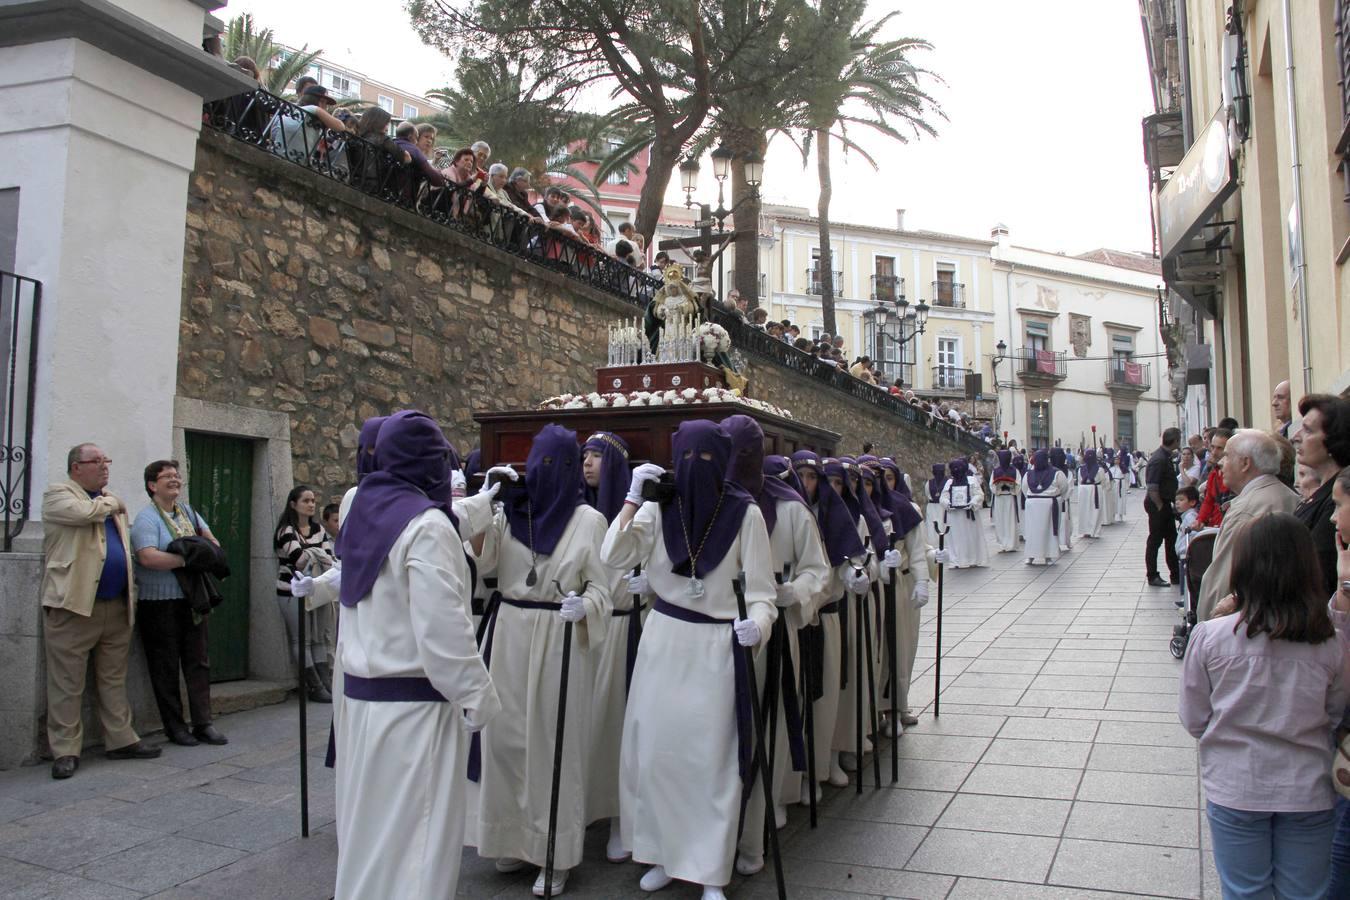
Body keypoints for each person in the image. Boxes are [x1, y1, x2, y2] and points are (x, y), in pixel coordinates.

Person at [603, 421, 776, 900]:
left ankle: (709, 869)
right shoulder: (659, 509)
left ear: (721, 464)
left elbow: (763, 595)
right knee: (657, 755)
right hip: (663, 642)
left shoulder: (745, 515)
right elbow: (612, 556)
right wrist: (634, 497)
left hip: (716, 649)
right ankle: (662, 852)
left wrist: (756, 626)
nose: (691, 470)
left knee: (711, 761)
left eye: (703, 460)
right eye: (685, 458)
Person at [329, 411, 498, 900]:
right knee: (418, 846)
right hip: (415, 711)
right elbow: (443, 631)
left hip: (361, 705)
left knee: (370, 837)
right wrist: (479, 695)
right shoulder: (426, 524)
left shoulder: (363, 508)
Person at [471, 424, 610, 897]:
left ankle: (554, 851)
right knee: (506, 738)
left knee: (553, 743)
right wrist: (485, 504)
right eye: (537, 461)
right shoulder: (512, 513)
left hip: (558, 636)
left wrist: (585, 605)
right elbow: (484, 565)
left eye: (553, 463)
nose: (541, 472)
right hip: (510, 632)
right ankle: (512, 838)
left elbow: (603, 589)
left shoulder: (589, 520)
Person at [1179, 513, 1344, 900]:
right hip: (1307, 786)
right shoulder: (1330, 641)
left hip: (1236, 782)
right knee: (1306, 892)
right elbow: (1334, 712)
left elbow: (1194, 716)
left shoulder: (1211, 637)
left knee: (1244, 890)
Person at [725, 419, 829, 877]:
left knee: (768, 724)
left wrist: (794, 594)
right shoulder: (711, 504)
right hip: (717, 636)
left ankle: (758, 822)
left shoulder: (790, 510)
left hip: (771, 632)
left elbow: (817, 569)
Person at [41, 444, 160, 779]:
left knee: (112, 678)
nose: (105, 467)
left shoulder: (105, 500)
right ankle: (65, 750)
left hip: (115, 605)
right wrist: (114, 502)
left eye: (107, 461)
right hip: (74, 606)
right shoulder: (58, 495)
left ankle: (121, 739)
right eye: (96, 461)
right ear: (76, 467)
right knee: (67, 682)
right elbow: (83, 514)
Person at [131, 459, 227, 747]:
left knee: (198, 662)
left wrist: (196, 553)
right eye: (167, 477)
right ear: (152, 485)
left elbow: (213, 544)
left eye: (176, 475)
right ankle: (175, 727)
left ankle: (203, 723)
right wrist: (187, 559)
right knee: (166, 666)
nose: (174, 480)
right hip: (159, 603)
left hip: (192, 599)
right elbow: (147, 557)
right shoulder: (147, 518)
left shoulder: (189, 513)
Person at [791, 450, 866, 796]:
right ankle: (797, 774)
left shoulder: (836, 517)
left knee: (827, 696)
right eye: (801, 476)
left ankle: (826, 761)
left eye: (813, 477)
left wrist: (857, 575)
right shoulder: (787, 513)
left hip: (827, 616)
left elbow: (854, 560)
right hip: (793, 620)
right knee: (797, 697)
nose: (807, 484)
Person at [579, 431, 638, 863]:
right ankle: (582, 807)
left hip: (622, 629)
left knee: (618, 724)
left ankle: (621, 815)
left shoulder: (634, 515)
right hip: (584, 628)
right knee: (585, 722)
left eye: (596, 456)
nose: (587, 463)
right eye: (583, 455)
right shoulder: (578, 513)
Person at [1198, 430, 1302, 620]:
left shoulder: (1246, 510)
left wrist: (1205, 630)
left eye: (1227, 456)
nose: (1221, 462)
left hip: (1244, 626)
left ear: (1245, 463)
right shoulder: (1291, 497)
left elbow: (1221, 582)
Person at [274, 484, 334, 703]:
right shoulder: (286, 531)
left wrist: (313, 553)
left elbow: (328, 559)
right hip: (291, 591)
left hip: (318, 589)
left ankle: (326, 683)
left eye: (312, 501)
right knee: (302, 639)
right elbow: (299, 561)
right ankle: (314, 685)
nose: (310, 505)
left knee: (318, 638)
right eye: (305, 501)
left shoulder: (318, 530)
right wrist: (316, 553)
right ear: (293, 504)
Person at [1291, 394, 1350, 596]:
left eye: (1308, 430)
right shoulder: (1321, 493)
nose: (1296, 436)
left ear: (1333, 440)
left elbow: (1319, 568)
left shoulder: (1338, 499)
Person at [1145, 427, 1183, 588]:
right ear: (1175, 441)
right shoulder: (1159, 459)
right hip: (1158, 504)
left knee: (1171, 539)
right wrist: (1161, 506)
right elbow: (1152, 487)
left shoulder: (1165, 456)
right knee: (1155, 540)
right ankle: (1152, 575)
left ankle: (1175, 574)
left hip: (1164, 503)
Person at [937, 458, 988, 568]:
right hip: (954, 516)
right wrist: (948, 504)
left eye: (959, 468)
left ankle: (972, 559)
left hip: (968, 516)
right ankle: (957, 560)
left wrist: (972, 502)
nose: (957, 470)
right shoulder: (949, 482)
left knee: (971, 537)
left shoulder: (971, 480)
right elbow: (943, 498)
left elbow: (979, 494)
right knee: (956, 539)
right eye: (954, 468)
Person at [1020, 450, 1063, 565]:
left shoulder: (1028, 474)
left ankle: (1039, 556)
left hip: (1037, 504)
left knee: (1035, 531)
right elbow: (1063, 488)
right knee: (1039, 531)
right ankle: (1040, 556)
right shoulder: (1056, 473)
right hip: (1046, 503)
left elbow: (1024, 489)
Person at [1196, 429, 1235, 529]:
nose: (1214, 452)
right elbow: (1208, 500)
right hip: (1216, 528)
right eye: (1212, 447)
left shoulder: (1236, 474)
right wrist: (1200, 520)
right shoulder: (1214, 473)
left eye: (1219, 448)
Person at [989, 449, 1020, 552]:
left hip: (1010, 497)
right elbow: (991, 485)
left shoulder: (1015, 471)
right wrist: (998, 486)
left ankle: (1011, 543)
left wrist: (1011, 486)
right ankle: (1002, 543)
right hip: (999, 497)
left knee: (1010, 520)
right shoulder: (995, 471)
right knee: (1001, 520)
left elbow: (1018, 484)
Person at [1075, 449, 1108, 539]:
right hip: (1095, 488)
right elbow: (1103, 481)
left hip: (1085, 490)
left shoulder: (1081, 469)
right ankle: (1093, 531)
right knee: (1093, 510)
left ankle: (1088, 531)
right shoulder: (1100, 469)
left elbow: (1079, 481)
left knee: (1086, 510)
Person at [1050, 447, 1074, 552]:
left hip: (1062, 500)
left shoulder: (1067, 472)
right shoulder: (1049, 471)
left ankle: (1066, 541)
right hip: (1052, 500)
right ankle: (1055, 543)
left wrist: (1062, 497)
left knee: (1064, 521)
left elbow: (1069, 486)